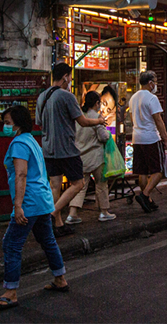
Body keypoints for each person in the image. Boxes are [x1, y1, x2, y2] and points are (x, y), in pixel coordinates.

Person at [0, 106, 68, 310]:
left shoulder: (19, 144)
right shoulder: (32, 141)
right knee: (48, 240)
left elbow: (21, 174)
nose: (5, 126)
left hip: (30, 202)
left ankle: (11, 291)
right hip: (43, 200)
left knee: (11, 244)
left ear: (18, 124)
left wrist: (18, 206)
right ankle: (60, 279)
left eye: (8, 123)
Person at [36, 63, 106, 237]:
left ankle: (58, 225)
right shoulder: (66, 96)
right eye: (70, 77)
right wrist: (99, 121)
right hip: (67, 148)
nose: (70, 80)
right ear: (65, 76)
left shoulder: (42, 97)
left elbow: (39, 122)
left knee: (55, 186)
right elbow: (82, 121)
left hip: (48, 148)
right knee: (78, 184)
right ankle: (52, 215)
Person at [65, 91, 116, 225]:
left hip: (80, 157)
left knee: (80, 186)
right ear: (96, 103)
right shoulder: (97, 117)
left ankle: (72, 214)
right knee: (101, 184)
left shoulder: (79, 117)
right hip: (96, 157)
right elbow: (103, 136)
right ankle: (104, 212)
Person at [129, 70, 167, 213]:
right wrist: (166, 140)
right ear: (150, 83)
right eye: (155, 81)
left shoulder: (133, 98)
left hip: (137, 138)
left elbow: (131, 118)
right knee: (158, 171)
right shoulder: (152, 98)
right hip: (151, 138)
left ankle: (147, 200)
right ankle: (145, 195)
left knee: (142, 171)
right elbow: (158, 120)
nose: (156, 84)